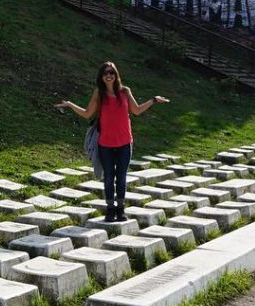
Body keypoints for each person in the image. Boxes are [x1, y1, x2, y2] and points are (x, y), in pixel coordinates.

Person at [54, 62, 169, 222]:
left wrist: (153, 100)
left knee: (121, 177)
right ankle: (110, 209)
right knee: (109, 177)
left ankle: (120, 210)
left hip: (124, 142)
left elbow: (136, 111)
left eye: (111, 73)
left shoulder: (125, 91)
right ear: (101, 77)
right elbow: (88, 114)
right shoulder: (99, 94)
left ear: (116, 75)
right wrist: (70, 104)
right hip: (105, 143)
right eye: (105, 73)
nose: (109, 76)